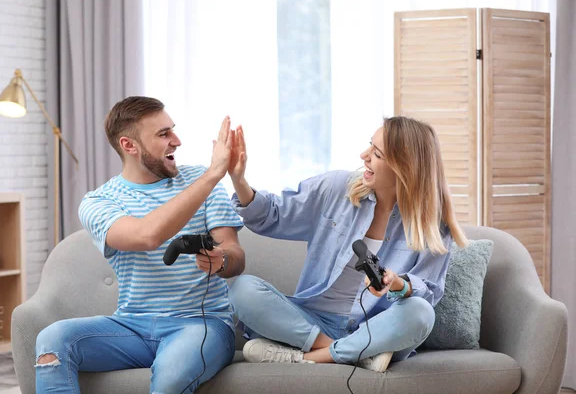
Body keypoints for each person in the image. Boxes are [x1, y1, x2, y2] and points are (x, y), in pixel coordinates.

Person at [34, 96, 245, 394]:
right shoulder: (99, 201)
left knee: (171, 376)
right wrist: (213, 175)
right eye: (163, 134)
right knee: (52, 339)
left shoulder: (199, 180)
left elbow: (236, 255)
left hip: (202, 325)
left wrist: (222, 260)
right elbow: (147, 236)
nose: (177, 141)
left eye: (172, 129)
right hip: (131, 327)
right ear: (129, 146)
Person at [227, 116, 468, 371]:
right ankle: (353, 352)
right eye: (369, 146)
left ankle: (306, 357)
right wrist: (239, 180)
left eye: (377, 153)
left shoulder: (433, 225)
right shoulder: (336, 188)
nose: (364, 155)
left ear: (404, 167)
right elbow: (272, 215)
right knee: (243, 290)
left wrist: (397, 284)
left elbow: (427, 293)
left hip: (374, 327)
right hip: (311, 320)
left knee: (421, 313)